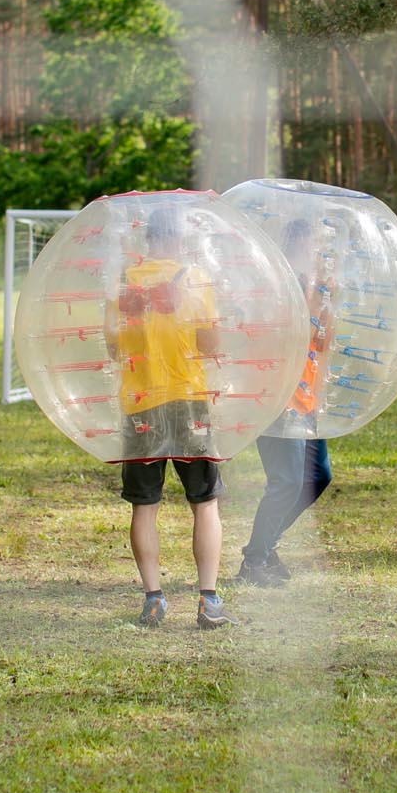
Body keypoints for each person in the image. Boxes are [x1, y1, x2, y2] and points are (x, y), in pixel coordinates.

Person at [110, 204, 232, 628]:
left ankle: (153, 599)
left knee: (145, 505)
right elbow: (211, 343)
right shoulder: (195, 278)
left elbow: (113, 346)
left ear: (149, 238)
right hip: (188, 399)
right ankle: (208, 600)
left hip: (140, 402)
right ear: (179, 237)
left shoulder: (124, 281)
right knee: (205, 501)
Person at [239, 219, 333, 589]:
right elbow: (284, 339)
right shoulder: (277, 285)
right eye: (315, 246)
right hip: (279, 399)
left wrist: (325, 312)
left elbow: (320, 344)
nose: (321, 255)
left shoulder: (317, 289)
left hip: (306, 399)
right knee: (287, 482)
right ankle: (254, 561)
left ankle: (265, 545)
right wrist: (311, 308)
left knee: (317, 477)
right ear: (298, 243)